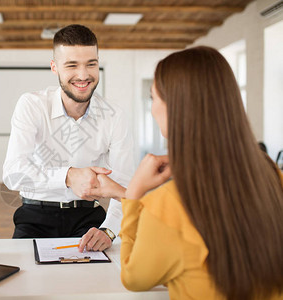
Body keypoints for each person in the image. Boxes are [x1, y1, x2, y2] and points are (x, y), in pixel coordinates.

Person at [87, 46, 283, 299]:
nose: (153, 108)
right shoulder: (272, 174)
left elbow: (133, 277)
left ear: (174, 107)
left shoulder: (167, 204)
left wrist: (134, 193)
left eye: (153, 98)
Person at [3, 24, 135, 252]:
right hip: (34, 217)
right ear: (54, 67)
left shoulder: (115, 115)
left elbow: (123, 185)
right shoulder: (31, 105)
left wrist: (110, 229)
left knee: (96, 283)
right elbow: (13, 173)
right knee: (22, 281)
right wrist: (68, 176)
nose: (83, 75)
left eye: (91, 64)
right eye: (72, 65)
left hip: (89, 218)